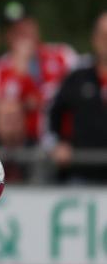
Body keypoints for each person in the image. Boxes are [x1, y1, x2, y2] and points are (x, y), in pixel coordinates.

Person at [0, 2, 77, 141]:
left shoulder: (63, 54)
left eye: (26, 26)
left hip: (64, 140)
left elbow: (77, 93)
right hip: (24, 143)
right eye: (14, 29)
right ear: (7, 35)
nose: (22, 32)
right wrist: (19, 71)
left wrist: (35, 100)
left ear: (36, 26)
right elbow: (5, 110)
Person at [49, 12, 107, 183]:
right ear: (94, 39)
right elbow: (52, 116)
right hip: (82, 176)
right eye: (104, 35)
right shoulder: (76, 77)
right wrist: (57, 144)